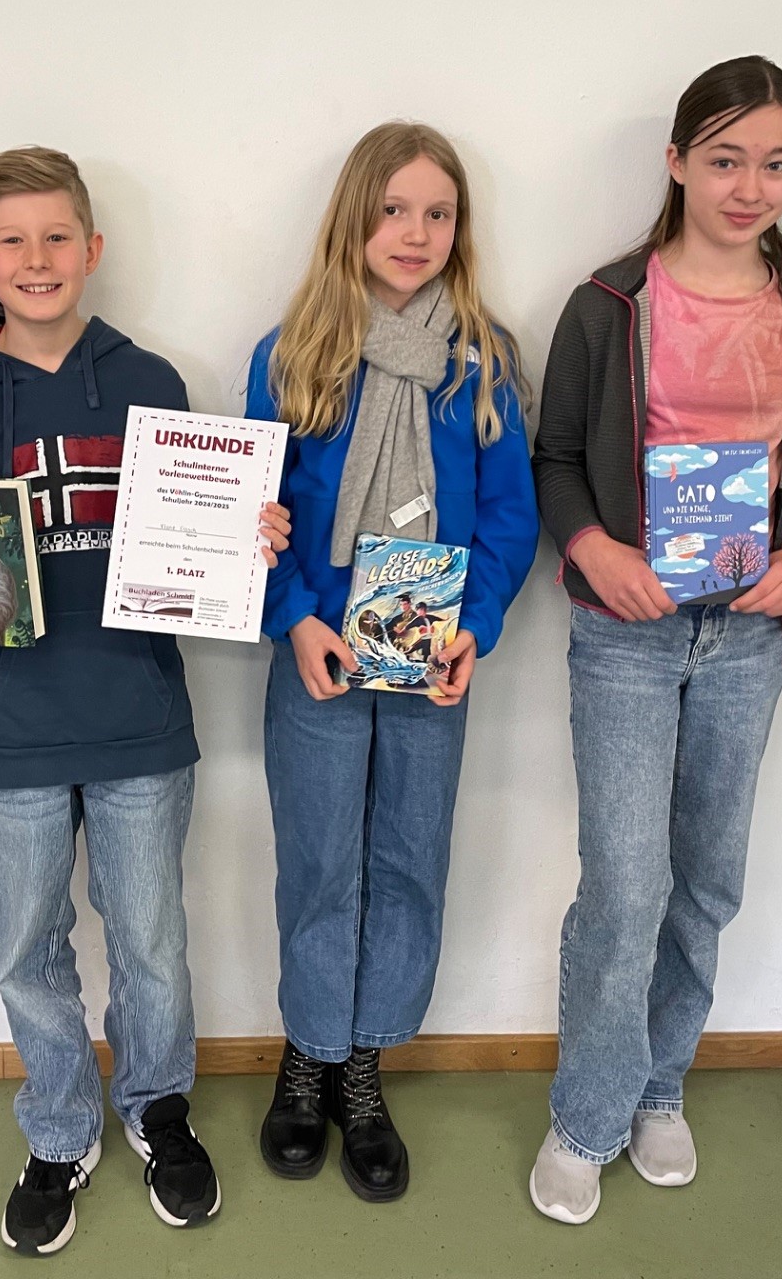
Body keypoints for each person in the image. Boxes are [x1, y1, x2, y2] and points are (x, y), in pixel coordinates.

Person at [0, 147, 290, 1256]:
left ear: (93, 248)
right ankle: (59, 1132)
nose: (37, 258)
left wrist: (248, 537)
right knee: (28, 945)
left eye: (57, 235)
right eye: (11, 240)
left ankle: (158, 1109)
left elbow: (206, 542)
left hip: (138, 717)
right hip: (10, 722)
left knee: (151, 938)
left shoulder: (152, 379)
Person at [528, 56, 782, 1226]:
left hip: (747, 640)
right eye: (724, 160)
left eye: (776, 164)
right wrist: (594, 551)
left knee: (707, 880)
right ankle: (587, 1114)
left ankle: (659, 1085)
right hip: (626, 632)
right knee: (625, 887)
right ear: (675, 162)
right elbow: (555, 460)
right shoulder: (607, 306)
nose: (749, 186)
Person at [245, 121, 538, 1202]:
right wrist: (295, 617)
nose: (414, 233)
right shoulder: (292, 355)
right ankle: (309, 1053)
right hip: (320, 657)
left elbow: (510, 516)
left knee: (410, 860)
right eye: (393, 209)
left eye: (437, 213)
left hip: (430, 660)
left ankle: (364, 1063)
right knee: (320, 860)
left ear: (460, 227)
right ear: (353, 218)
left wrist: (477, 626)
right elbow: (256, 511)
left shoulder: (484, 363)